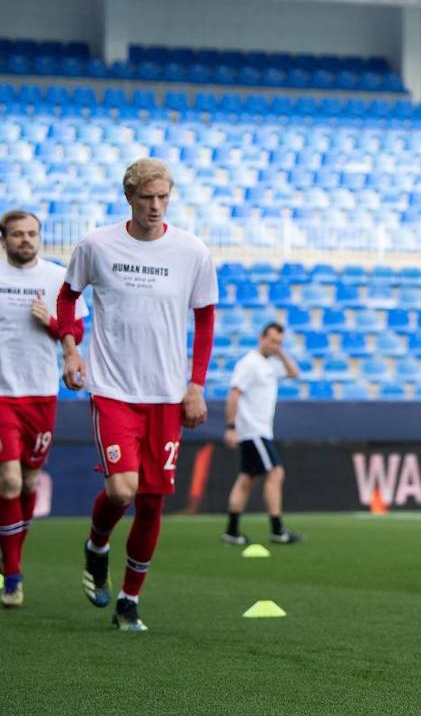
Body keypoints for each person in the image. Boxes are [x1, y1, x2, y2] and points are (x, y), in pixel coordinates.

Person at [58, 158, 218, 631]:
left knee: (151, 501)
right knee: (122, 489)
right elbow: (68, 297)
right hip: (112, 389)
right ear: (129, 197)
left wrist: (196, 384)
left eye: (163, 197)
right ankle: (97, 542)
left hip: (168, 395)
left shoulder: (192, 251)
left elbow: (205, 318)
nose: (155, 205)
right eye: (146, 197)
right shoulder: (96, 245)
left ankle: (129, 600)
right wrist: (71, 351)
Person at [0, 210, 86, 607]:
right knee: (11, 482)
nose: (26, 240)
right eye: (17, 234)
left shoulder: (55, 278)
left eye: (32, 234)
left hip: (41, 394)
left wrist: (51, 323)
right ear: (5, 239)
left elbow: (77, 330)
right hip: (3, 396)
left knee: (31, 483)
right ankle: (13, 577)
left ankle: (10, 550)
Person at [221, 322, 302, 546]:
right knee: (276, 473)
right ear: (262, 338)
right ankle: (277, 529)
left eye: (280, 342)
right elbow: (234, 394)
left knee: (247, 479)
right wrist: (231, 427)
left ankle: (232, 531)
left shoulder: (269, 364)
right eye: (273, 341)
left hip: (260, 429)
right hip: (253, 430)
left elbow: (294, 373)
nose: (276, 345)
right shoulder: (250, 363)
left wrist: (281, 353)